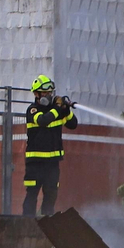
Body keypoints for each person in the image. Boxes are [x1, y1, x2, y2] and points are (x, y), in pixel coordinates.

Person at [22, 74, 77, 217]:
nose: (48, 95)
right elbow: (43, 121)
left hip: (52, 163)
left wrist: (66, 109)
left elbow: (73, 124)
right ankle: (27, 223)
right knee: (32, 194)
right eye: (45, 92)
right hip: (35, 162)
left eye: (50, 92)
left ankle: (47, 222)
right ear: (36, 94)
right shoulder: (32, 110)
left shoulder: (57, 110)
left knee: (51, 194)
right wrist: (58, 108)